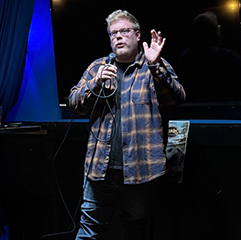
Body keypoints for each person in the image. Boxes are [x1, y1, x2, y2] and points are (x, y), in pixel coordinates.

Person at [68, 9, 186, 240]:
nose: (118, 37)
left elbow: (176, 98)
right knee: (88, 230)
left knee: (134, 230)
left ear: (137, 35)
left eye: (124, 31)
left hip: (141, 171)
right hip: (99, 170)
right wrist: (96, 83)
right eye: (113, 33)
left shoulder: (153, 65)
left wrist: (156, 66)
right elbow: (74, 103)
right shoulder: (98, 67)